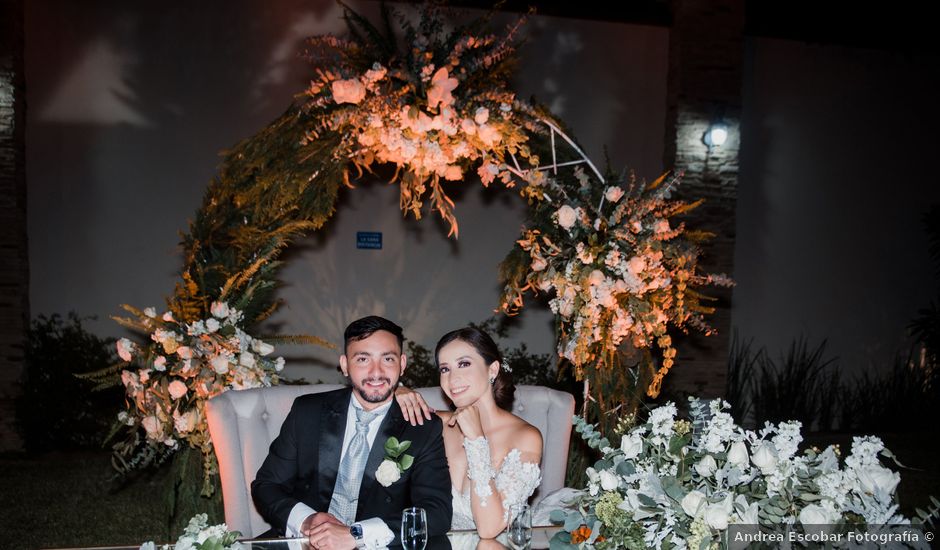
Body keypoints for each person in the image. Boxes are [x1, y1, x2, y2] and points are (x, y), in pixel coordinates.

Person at [252, 316, 452, 549]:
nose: (376, 372)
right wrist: (307, 521)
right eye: (363, 359)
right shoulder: (307, 412)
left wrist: (356, 534)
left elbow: (436, 512)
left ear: (402, 364)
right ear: (345, 365)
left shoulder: (421, 427)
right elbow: (266, 485)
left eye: (388, 359)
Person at [395, 327, 543, 539]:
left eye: (464, 364)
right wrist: (397, 392)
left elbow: (489, 528)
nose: (452, 378)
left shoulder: (525, 437)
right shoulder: (437, 425)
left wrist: (476, 439)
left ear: (492, 370)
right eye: (445, 369)